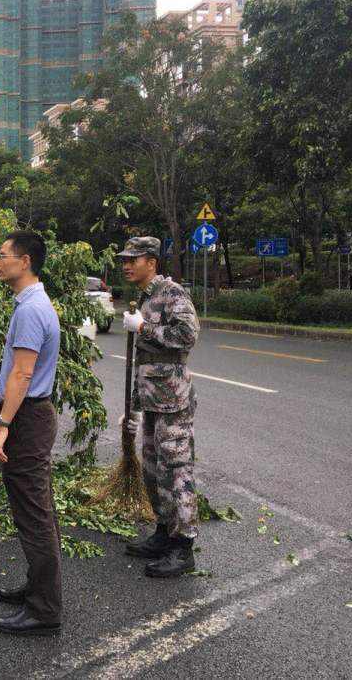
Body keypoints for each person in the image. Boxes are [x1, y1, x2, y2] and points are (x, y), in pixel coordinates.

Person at [0, 230, 63, 636]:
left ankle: (44, 608)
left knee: (34, 513)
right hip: (31, 415)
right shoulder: (30, 303)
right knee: (36, 508)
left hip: (27, 419)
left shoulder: (32, 309)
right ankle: (38, 588)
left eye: (3, 256)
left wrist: (2, 425)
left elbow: (23, 372)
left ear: (26, 261)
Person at [118, 236, 200, 579]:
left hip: (173, 402)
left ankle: (183, 547)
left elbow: (187, 335)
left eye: (132, 259)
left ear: (151, 261)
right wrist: (133, 408)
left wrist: (144, 328)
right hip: (152, 401)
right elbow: (144, 361)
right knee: (153, 469)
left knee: (176, 470)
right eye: (124, 259)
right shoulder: (146, 296)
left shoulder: (172, 293)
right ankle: (164, 532)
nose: (126, 264)